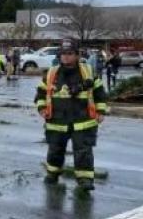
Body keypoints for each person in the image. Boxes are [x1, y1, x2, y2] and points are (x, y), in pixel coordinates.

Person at [34, 38, 108, 192]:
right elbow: (41, 93)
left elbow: (100, 93)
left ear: (77, 55)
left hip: (83, 120)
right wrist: (41, 108)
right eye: (63, 54)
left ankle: (85, 179)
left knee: (83, 152)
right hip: (57, 121)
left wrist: (101, 111)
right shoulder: (51, 73)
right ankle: (53, 174)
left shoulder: (87, 72)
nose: (66, 57)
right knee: (55, 150)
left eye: (69, 53)